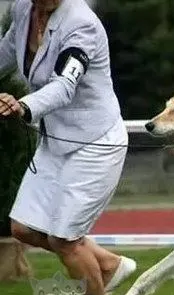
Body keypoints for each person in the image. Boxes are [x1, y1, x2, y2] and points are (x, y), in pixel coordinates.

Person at [0, 0, 136, 294]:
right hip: (55, 139)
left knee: (64, 241)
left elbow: (64, 85)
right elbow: (6, 54)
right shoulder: (23, 10)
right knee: (23, 228)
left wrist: (23, 105)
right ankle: (109, 266)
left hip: (95, 142)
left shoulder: (81, 25)